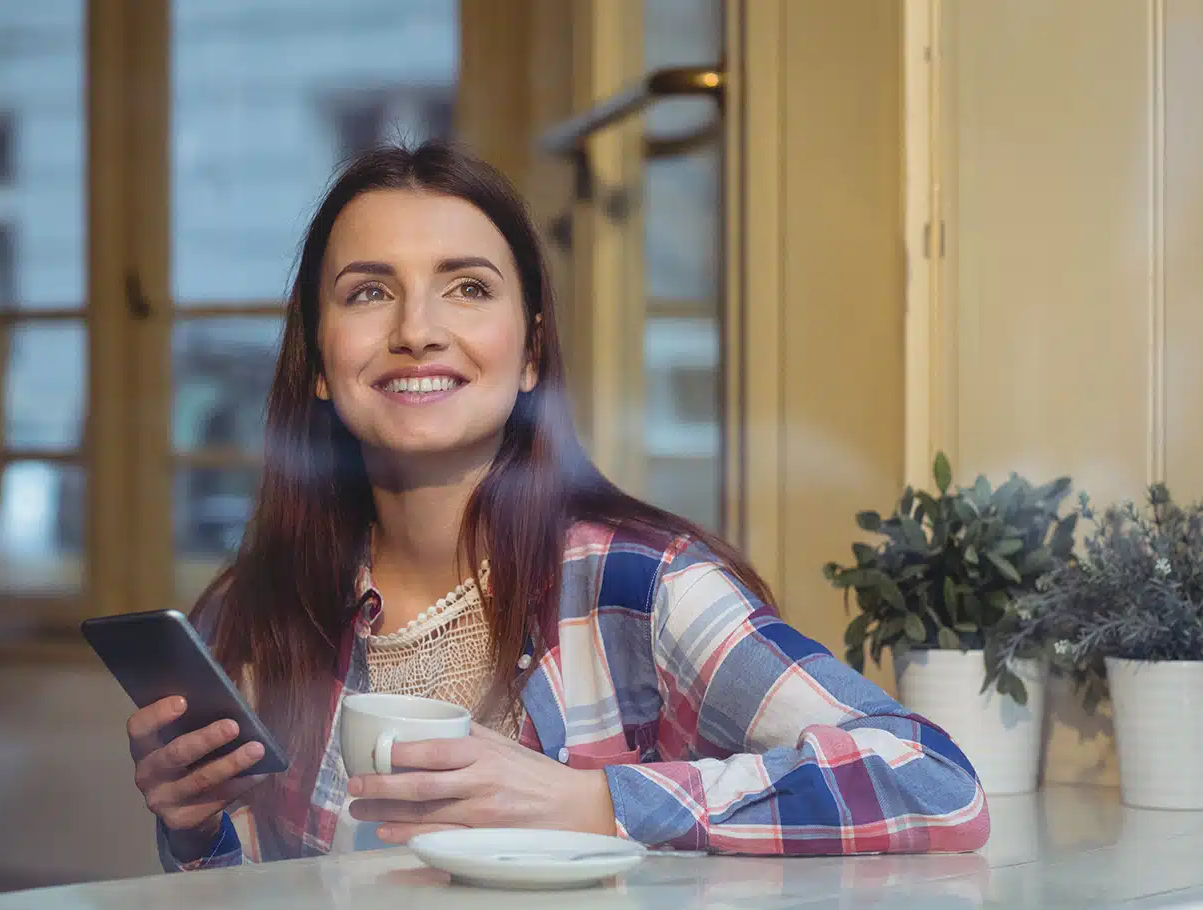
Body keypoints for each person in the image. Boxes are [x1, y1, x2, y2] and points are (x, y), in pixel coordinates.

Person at [126, 142, 990, 869]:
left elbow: (934, 781)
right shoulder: (258, 612)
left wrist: (588, 801)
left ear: (531, 352)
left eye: (466, 287)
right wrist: (193, 825)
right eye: (368, 291)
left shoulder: (639, 584)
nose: (417, 329)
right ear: (319, 361)